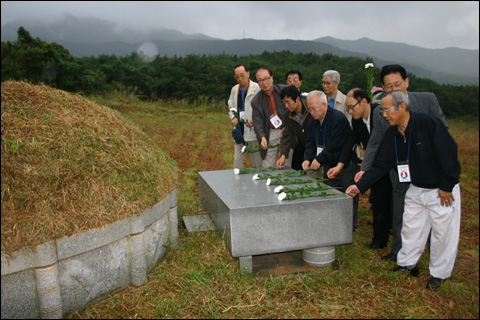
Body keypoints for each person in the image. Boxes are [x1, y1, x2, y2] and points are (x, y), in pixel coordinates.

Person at [346, 90, 461, 289]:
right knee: (410, 228)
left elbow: (449, 152)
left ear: (402, 106)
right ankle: (408, 264)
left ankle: (439, 274)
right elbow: (381, 165)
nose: (383, 115)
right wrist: (360, 186)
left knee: (443, 234)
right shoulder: (393, 134)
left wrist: (446, 185)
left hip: (440, 191)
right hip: (416, 188)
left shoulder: (428, 124)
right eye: (381, 111)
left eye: (386, 110)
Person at [355, 64, 448, 262]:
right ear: (382, 87)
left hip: (429, 174)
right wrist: (365, 170)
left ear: (406, 82)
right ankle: (399, 253)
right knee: (400, 213)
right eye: (389, 86)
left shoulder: (427, 100)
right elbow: (375, 143)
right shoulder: (383, 110)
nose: (394, 89)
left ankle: (435, 258)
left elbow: (443, 133)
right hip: (400, 173)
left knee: (433, 219)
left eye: (398, 84)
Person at [327, 88, 392, 248]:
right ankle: (379, 240)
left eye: (352, 106)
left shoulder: (380, 115)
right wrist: (340, 165)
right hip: (373, 167)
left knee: (388, 202)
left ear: (364, 101)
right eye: (348, 107)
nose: (350, 110)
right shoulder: (357, 121)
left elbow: (383, 144)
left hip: (388, 165)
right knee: (378, 202)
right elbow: (351, 141)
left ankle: (388, 237)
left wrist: (370, 162)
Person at [302, 91, 358, 231]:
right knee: (329, 192)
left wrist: (319, 159)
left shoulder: (337, 119)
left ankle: (348, 227)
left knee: (348, 193)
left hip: (343, 163)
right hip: (328, 164)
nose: (312, 112)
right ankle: (333, 223)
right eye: (309, 109)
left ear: (324, 105)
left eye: (314, 108)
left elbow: (334, 145)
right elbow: (310, 142)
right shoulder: (314, 121)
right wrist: (308, 159)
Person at [251, 67, 288, 167]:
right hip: (270, 133)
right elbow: (257, 122)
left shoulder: (284, 90)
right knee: (267, 167)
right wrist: (262, 137)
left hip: (287, 131)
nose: (264, 82)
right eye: (261, 80)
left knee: (287, 165)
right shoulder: (256, 101)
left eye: (266, 78)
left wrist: (288, 128)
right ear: (258, 83)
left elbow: (293, 110)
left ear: (272, 78)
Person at [228, 64, 262, 169]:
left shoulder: (257, 88)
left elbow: (263, 108)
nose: (240, 78)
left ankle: (259, 184)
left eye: (242, 75)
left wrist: (255, 120)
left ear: (248, 74)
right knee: (237, 164)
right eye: (237, 76)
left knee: (257, 164)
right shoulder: (234, 90)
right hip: (239, 131)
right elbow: (231, 106)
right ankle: (238, 185)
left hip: (253, 132)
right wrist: (233, 117)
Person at [276, 85, 312, 170]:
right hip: (301, 145)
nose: (286, 106)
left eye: (288, 102)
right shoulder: (287, 115)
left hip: (316, 146)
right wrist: (283, 156)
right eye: (284, 103)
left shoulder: (310, 108)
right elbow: (287, 136)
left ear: (298, 99)